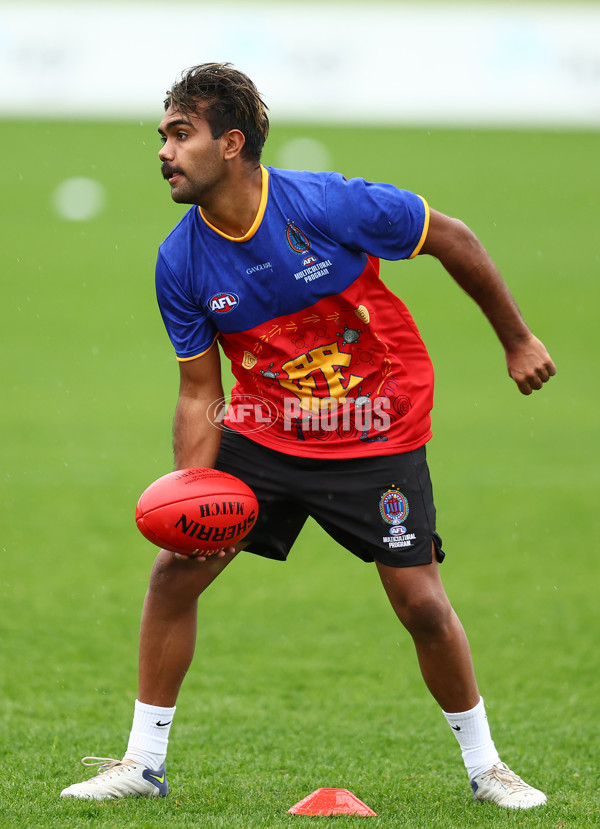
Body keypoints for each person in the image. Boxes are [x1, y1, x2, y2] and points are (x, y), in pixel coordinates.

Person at [61, 62, 556, 809]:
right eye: (162, 134)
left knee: (421, 603)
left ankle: (489, 768)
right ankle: (143, 761)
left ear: (231, 144)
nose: (163, 150)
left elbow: (451, 237)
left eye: (180, 134)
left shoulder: (329, 205)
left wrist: (516, 340)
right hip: (266, 431)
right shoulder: (181, 259)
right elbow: (201, 393)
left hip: (375, 423)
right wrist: (193, 495)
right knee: (174, 572)